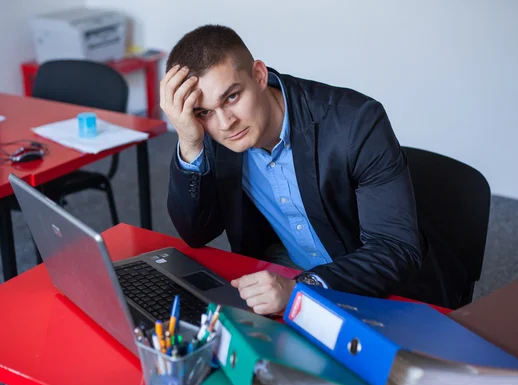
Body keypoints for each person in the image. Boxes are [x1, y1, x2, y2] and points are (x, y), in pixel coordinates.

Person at [161, 24, 452, 315]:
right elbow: (197, 232)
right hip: (284, 279)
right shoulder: (211, 131)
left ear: (259, 76)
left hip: (382, 294)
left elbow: (394, 248)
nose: (225, 123)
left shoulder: (356, 123)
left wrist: (303, 289)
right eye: (205, 112)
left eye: (232, 97)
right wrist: (189, 140)